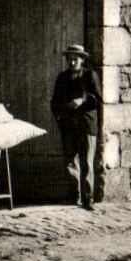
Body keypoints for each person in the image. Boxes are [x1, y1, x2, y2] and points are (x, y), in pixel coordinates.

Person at [50, 44, 102, 210]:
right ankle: (75, 196)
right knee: (71, 162)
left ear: (82, 60)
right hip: (68, 125)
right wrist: (59, 117)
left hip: (86, 125)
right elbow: (54, 102)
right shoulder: (62, 78)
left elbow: (98, 100)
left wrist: (83, 100)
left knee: (86, 162)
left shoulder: (90, 76)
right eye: (69, 59)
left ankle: (88, 198)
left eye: (75, 59)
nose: (72, 63)